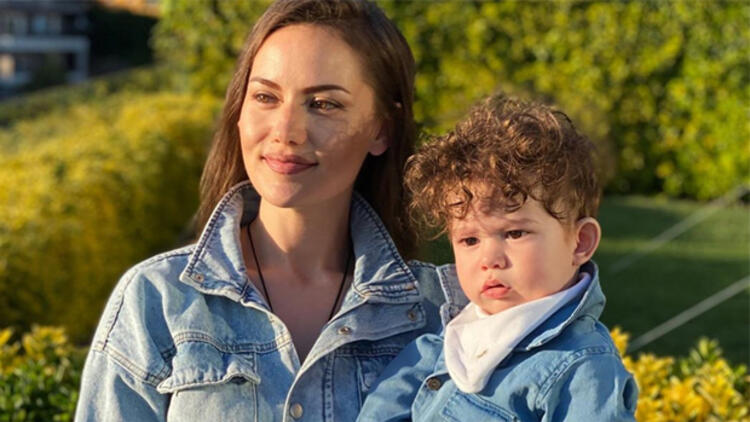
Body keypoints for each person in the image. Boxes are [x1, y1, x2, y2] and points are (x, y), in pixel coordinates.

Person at [75, 1, 446, 420]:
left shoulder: (440, 313)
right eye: (266, 97)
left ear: (382, 128)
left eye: (324, 104)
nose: (285, 131)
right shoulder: (157, 300)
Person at [357, 95, 639, 421]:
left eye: (515, 233)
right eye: (470, 240)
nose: (490, 259)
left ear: (580, 243)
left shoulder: (582, 367)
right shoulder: (443, 343)